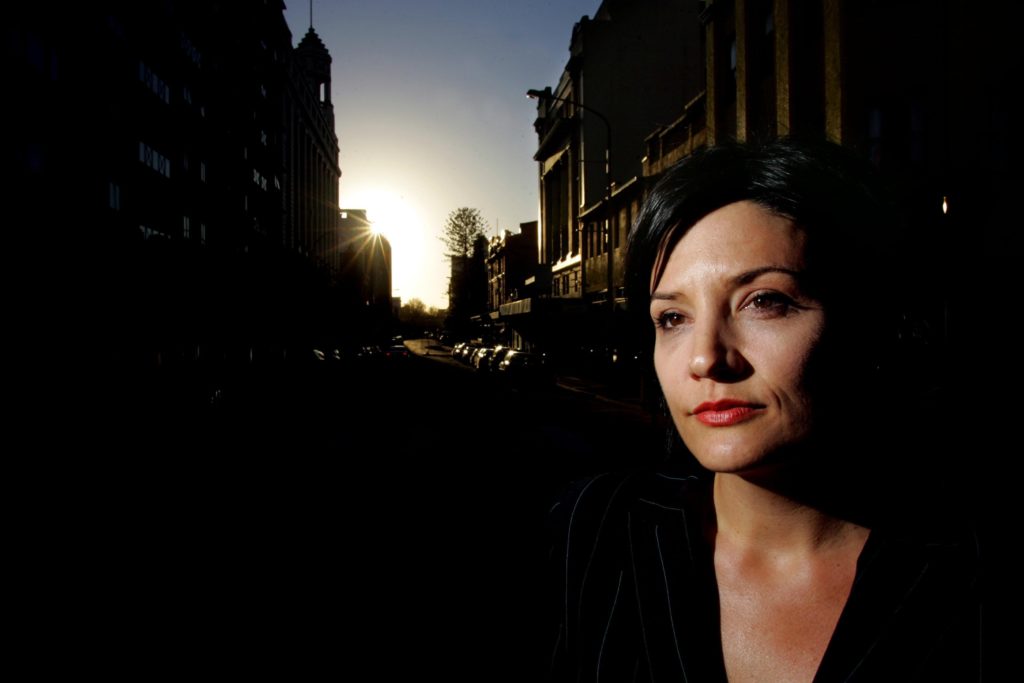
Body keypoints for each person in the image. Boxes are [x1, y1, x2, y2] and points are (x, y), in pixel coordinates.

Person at [546, 139, 982, 681]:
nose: (706, 358)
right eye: (672, 319)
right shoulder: (593, 530)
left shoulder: (964, 577)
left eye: (765, 301)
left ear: (869, 325)